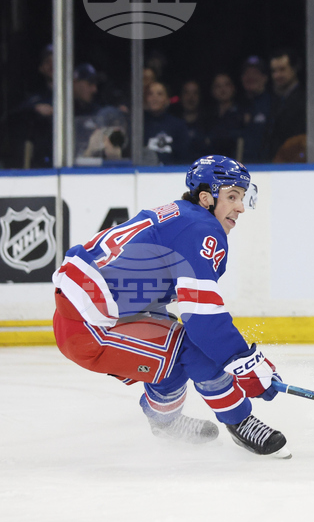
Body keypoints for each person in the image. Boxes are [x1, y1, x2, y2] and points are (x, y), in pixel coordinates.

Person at [51, 156, 288, 457]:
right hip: (91, 328)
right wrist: (246, 364)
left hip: (88, 315)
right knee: (190, 349)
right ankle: (240, 422)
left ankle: (165, 422)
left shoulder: (182, 215)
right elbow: (203, 319)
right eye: (232, 197)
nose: (240, 207)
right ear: (206, 198)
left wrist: (240, 361)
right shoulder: (202, 228)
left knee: (173, 355)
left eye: (241, 197)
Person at [264, 49, 307, 162]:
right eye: (274, 71)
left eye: (282, 69)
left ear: (294, 68)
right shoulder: (271, 100)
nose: (277, 75)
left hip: (295, 165)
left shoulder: (306, 100)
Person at [143, 82, 190, 165]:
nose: (154, 98)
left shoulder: (178, 126)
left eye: (159, 94)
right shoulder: (138, 125)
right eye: (150, 94)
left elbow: (184, 158)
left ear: (167, 100)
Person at [240, 56, 271, 163]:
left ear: (265, 77)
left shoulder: (273, 105)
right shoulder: (237, 106)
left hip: (266, 166)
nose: (251, 77)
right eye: (247, 73)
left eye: (255, 73)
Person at [206, 73, 244, 159]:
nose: (223, 89)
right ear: (213, 91)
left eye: (226, 85)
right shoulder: (207, 116)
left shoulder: (242, 114)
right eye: (218, 86)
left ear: (233, 88)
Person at [176, 80, 209, 159]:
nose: (191, 97)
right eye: (186, 93)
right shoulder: (173, 124)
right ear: (181, 96)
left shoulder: (209, 124)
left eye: (195, 93)